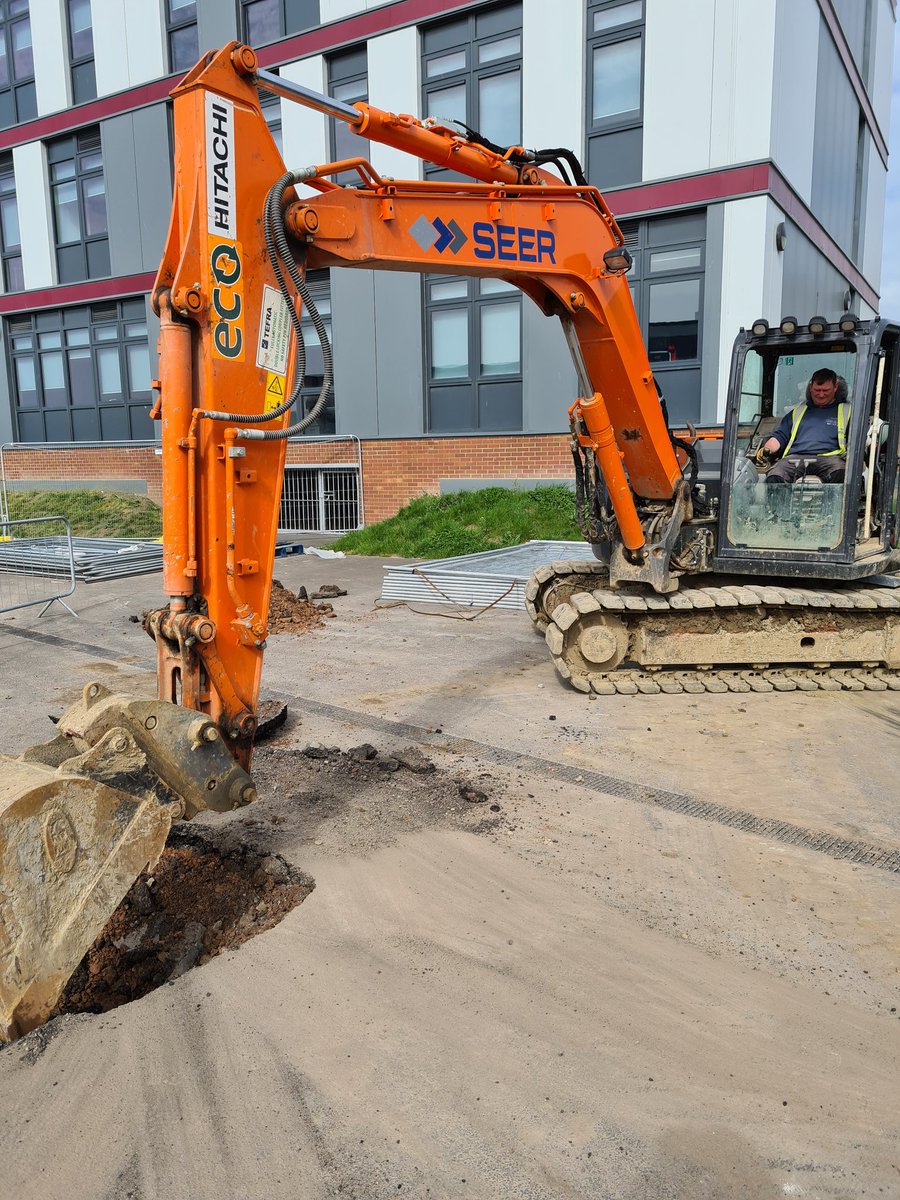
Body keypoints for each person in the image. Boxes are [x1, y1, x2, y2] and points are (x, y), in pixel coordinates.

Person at [758, 368, 850, 484]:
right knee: (776, 475)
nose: (821, 394)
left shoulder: (847, 412)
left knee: (842, 473)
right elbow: (780, 436)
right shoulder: (797, 412)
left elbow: (856, 440)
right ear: (810, 387)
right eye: (817, 390)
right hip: (795, 458)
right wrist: (766, 450)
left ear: (835, 388)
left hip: (831, 459)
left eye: (825, 390)